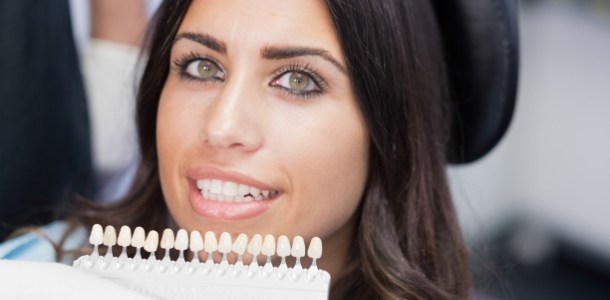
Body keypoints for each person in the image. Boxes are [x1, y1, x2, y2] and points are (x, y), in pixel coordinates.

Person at [5, 0, 472, 299]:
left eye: (297, 80)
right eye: (202, 67)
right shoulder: (34, 274)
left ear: (388, 129)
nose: (223, 127)